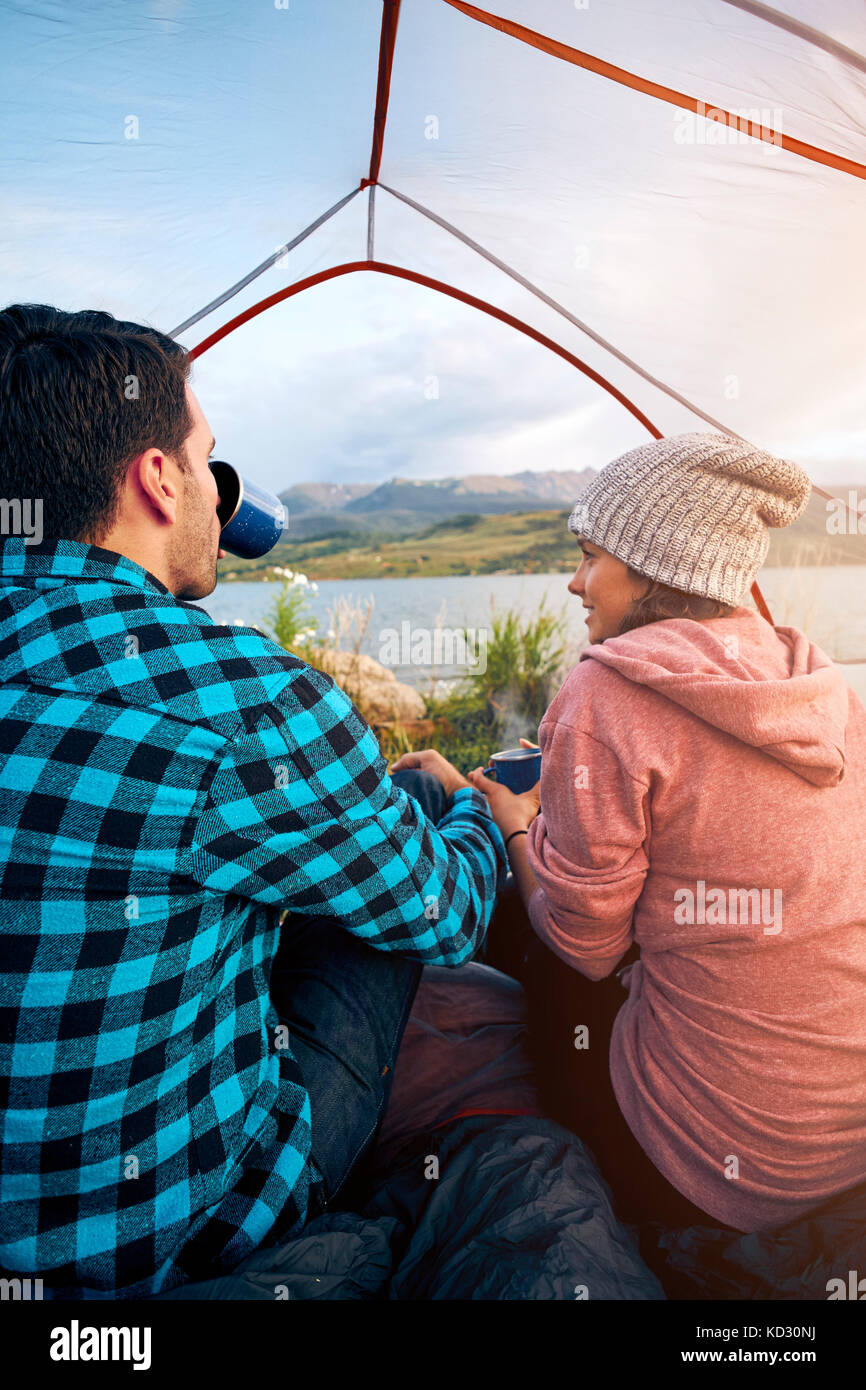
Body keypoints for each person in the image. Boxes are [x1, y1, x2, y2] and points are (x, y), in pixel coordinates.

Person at [0, 303, 506, 1299]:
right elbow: (443, 916)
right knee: (409, 839)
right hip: (170, 1235)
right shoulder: (246, 699)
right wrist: (483, 816)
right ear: (156, 477)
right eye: (205, 459)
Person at [408, 432, 866, 1253]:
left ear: (656, 568)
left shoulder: (606, 688)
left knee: (544, 926)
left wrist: (513, 824)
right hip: (835, 1149)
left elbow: (584, 946)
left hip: (706, 1169)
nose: (575, 582)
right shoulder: (819, 686)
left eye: (590, 556)